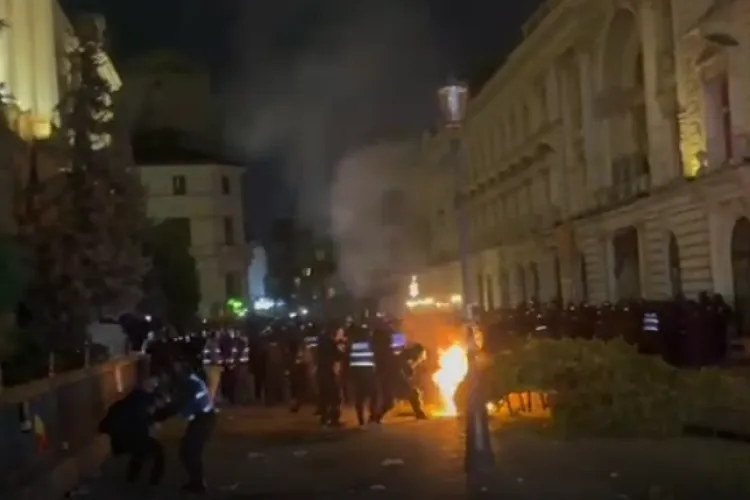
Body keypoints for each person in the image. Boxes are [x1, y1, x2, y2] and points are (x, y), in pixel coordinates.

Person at [99, 375, 166, 486]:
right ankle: (152, 480)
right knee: (156, 451)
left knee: (140, 452)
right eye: (152, 384)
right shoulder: (141, 401)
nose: (153, 387)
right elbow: (138, 419)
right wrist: (151, 424)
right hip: (127, 436)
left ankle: (132, 478)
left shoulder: (139, 397)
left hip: (128, 436)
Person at [173, 360, 217, 493]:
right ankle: (197, 482)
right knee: (190, 452)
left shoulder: (189, 384)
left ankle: (198, 484)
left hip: (203, 420)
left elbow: (185, 408)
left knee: (189, 452)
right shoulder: (193, 379)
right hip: (204, 418)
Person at [348, 324, 378, 426]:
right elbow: (375, 357)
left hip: (356, 374)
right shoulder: (370, 344)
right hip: (369, 373)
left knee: (359, 398)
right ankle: (372, 416)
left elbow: (349, 359)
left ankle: (361, 420)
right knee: (374, 395)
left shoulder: (353, 345)